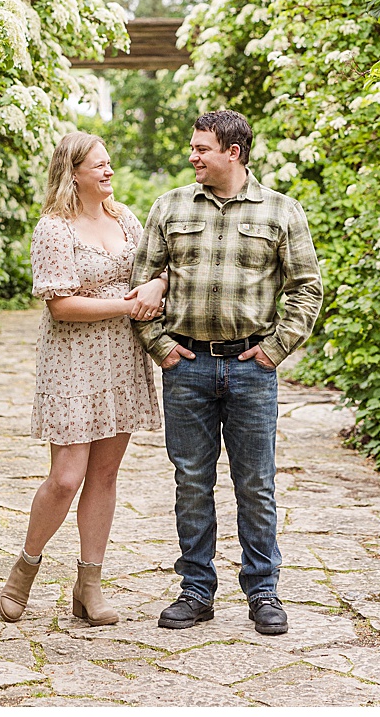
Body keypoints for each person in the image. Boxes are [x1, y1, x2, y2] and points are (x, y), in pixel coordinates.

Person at [128, 109, 323, 637]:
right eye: (192, 148)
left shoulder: (282, 212)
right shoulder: (168, 207)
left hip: (250, 369)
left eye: (201, 148)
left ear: (232, 152)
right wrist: (161, 348)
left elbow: (307, 288)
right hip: (186, 367)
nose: (192, 156)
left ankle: (264, 592)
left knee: (255, 484)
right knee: (191, 482)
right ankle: (196, 590)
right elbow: (140, 283)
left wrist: (274, 349)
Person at [0, 132, 167, 626]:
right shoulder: (54, 228)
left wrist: (154, 285)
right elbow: (61, 304)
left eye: (110, 163)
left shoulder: (125, 218)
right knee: (67, 476)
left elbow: (156, 271)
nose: (109, 172)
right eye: (100, 165)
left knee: (105, 475)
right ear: (73, 172)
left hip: (121, 358)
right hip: (73, 360)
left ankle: (88, 586)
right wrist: (127, 304)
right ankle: (25, 568)